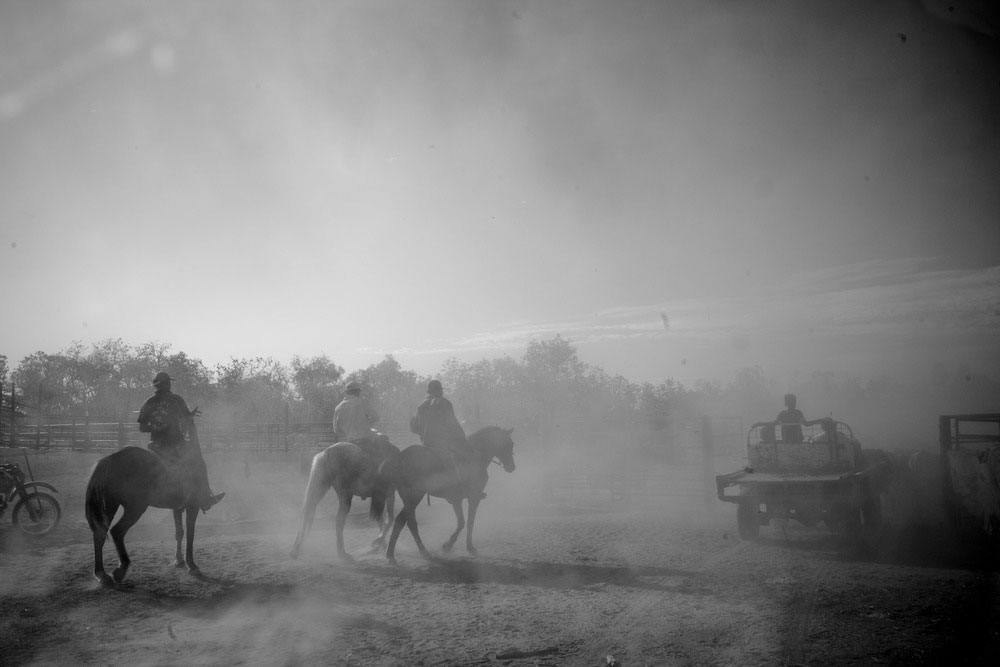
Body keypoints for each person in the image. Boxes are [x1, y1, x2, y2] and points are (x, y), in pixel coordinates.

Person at [137, 372, 225, 512]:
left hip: (155, 446)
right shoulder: (176, 400)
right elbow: (186, 421)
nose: (170, 384)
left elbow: (142, 427)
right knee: (199, 463)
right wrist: (189, 415)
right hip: (175, 445)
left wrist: (156, 427)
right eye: (169, 382)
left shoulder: (148, 402)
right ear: (167, 384)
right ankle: (205, 498)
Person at [410, 380, 478, 490]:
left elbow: (413, 427)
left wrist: (424, 434)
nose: (441, 392)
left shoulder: (421, 405)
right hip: (442, 443)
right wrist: (461, 437)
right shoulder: (445, 403)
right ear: (439, 390)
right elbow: (453, 424)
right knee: (460, 458)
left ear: (429, 391)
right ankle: (459, 488)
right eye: (440, 390)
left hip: (426, 443)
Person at [333, 381, 380, 447]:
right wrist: (371, 420)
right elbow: (377, 417)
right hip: (366, 438)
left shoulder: (338, 407)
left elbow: (336, 430)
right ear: (358, 391)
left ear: (347, 392)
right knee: (383, 442)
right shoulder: (362, 402)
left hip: (348, 440)